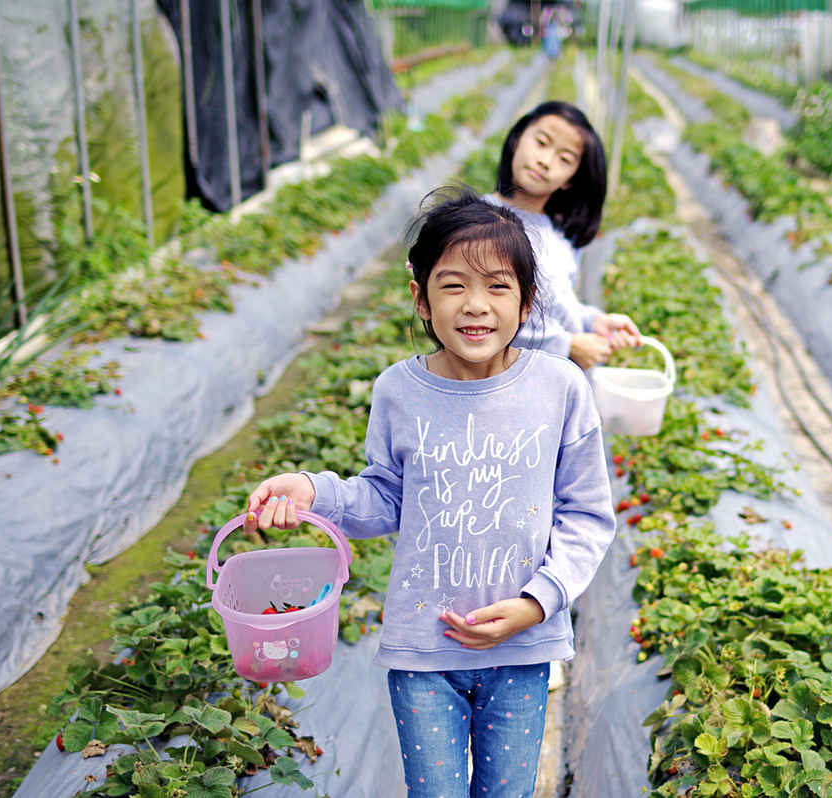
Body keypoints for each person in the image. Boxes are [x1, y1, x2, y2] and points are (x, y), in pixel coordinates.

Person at [242, 185, 617, 797]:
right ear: (420, 297)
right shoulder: (399, 390)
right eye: (453, 285)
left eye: (498, 286)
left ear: (527, 303)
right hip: (424, 651)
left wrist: (537, 602)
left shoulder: (561, 388)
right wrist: (313, 492)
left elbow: (587, 515)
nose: (476, 306)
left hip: (521, 646)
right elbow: (387, 495)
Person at [490, 100, 642, 370]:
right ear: (517, 139)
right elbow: (484, 315)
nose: (545, 161)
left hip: (552, 382)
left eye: (564, 159)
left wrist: (591, 321)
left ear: (571, 179)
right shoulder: (477, 224)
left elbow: (554, 304)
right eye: (541, 142)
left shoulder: (559, 235)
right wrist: (567, 345)